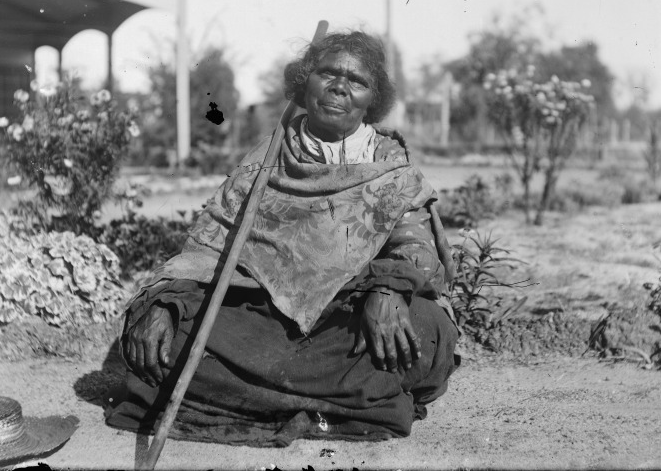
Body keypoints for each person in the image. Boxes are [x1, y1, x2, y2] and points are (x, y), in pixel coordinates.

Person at [105, 31, 460, 447]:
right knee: (154, 334)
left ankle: (251, 395)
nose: (340, 87)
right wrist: (169, 303)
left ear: (372, 99)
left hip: (349, 321)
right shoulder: (266, 158)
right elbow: (205, 248)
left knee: (427, 330)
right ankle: (347, 401)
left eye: (357, 81)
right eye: (327, 73)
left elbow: (417, 252)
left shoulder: (390, 166)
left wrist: (388, 289)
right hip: (265, 322)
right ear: (304, 81)